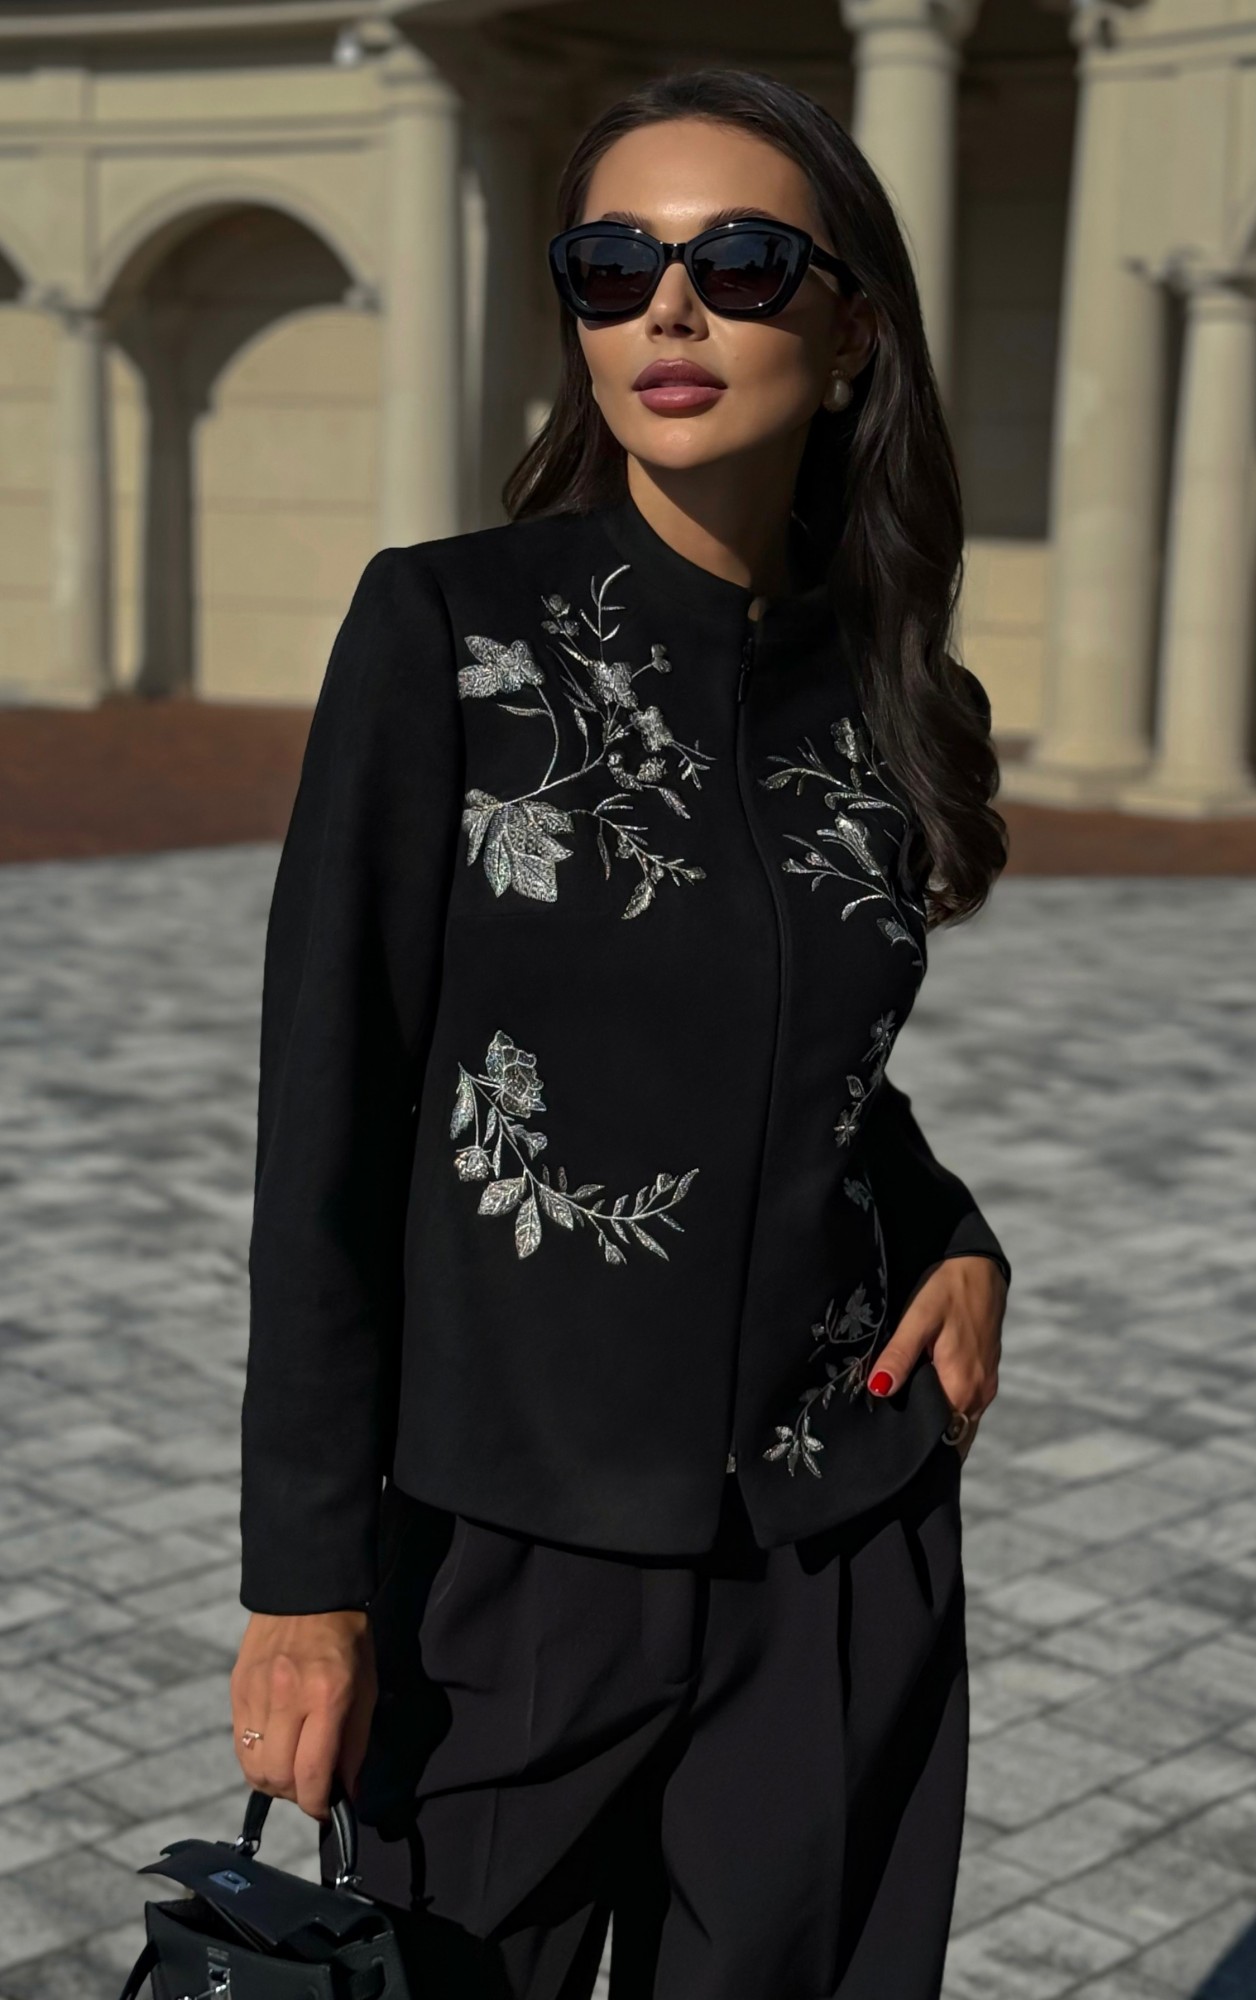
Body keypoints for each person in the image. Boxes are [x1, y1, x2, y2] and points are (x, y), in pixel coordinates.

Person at [229, 63, 1010, 2000]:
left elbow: (805, 1051)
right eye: (610, 266)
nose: (668, 308)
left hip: (832, 1539)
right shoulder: (448, 634)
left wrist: (952, 1228)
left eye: (737, 262)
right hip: (504, 1559)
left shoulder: (892, 688)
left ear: (850, 330)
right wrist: (305, 1584)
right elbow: (328, 1107)